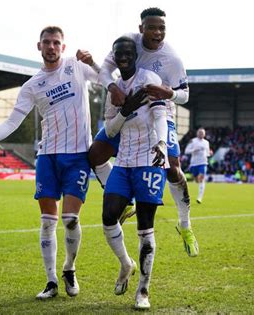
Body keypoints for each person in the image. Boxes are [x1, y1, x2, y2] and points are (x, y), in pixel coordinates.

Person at [0, 26, 99, 300]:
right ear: (39, 46)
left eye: (56, 42)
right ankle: (51, 281)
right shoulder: (32, 85)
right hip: (47, 156)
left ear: (63, 45)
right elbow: (14, 121)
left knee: (70, 219)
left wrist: (93, 61)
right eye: (46, 42)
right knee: (48, 221)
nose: (51, 46)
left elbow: (110, 79)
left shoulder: (77, 67)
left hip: (77, 156)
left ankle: (69, 268)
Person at [91, 7, 198, 256]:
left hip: (158, 114)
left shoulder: (172, 59)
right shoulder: (128, 43)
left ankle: (185, 224)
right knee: (95, 155)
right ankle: (123, 196)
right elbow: (106, 69)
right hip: (125, 114)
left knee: (172, 167)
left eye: (161, 28)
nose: (157, 33)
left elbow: (185, 95)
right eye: (152, 27)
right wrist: (112, 88)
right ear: (141, 29)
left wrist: (168, 93)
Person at [102, 36, 168, 310]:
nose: (124, 57)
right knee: (108, 217)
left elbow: (160, 115)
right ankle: (126, 264)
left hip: (149, 159)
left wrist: (162, 143)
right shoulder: (113, 89)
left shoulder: (148, 78)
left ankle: (143, 290)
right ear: (115, 57)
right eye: (119, 53)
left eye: (129, 52)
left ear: (136, 54)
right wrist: (125, 110)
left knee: (145, 227)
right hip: (123, 162)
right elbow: (110, 131)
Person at [184, 128, 212, 203]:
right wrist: (194, 150)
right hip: (194, 163)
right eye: (200, 132)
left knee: (201, 178)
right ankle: (197, 181)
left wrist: (210, 153)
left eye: (202, 133)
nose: (201, 134)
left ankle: (199, 198)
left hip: (203, 163)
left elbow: (207, 153)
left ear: (204, 134)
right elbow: (186, 151)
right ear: (197, 133)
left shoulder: (206, 142)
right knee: (197, 180)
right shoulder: (193, 141)